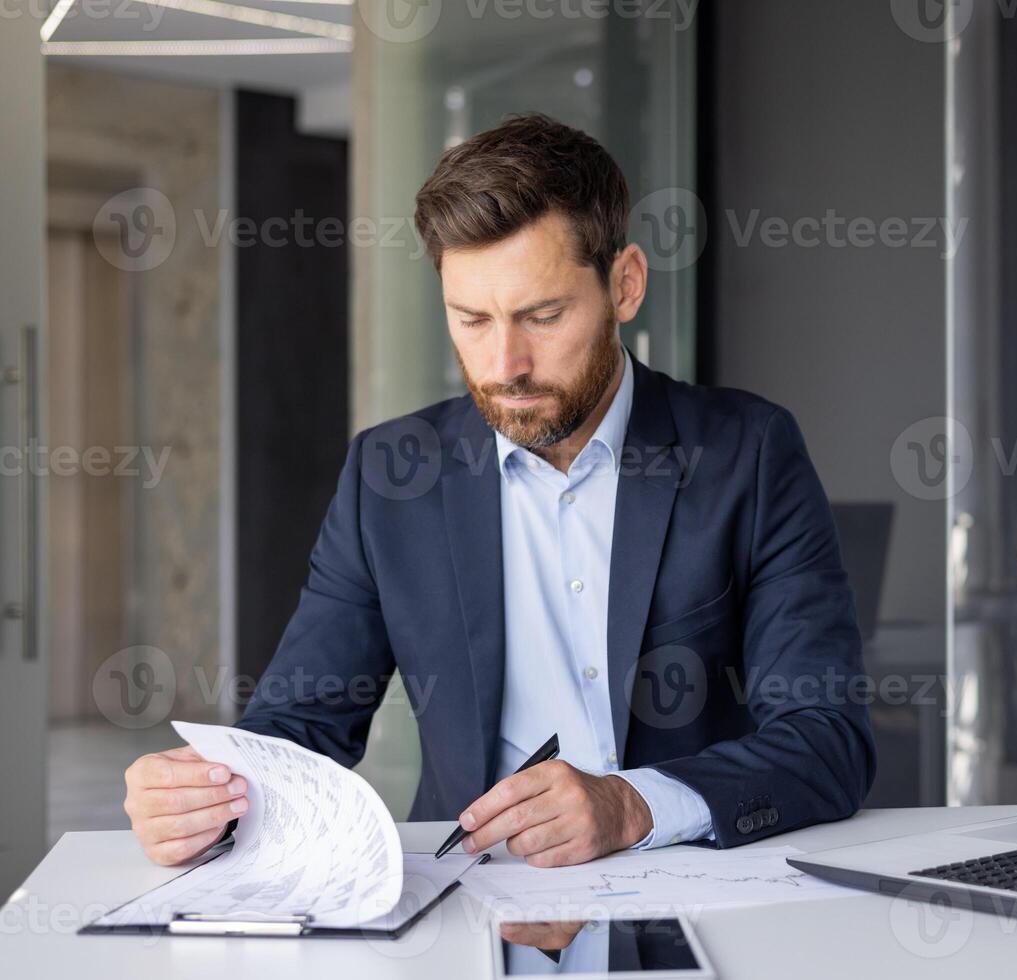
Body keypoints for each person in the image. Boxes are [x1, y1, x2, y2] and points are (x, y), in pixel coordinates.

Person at [122, 113, 875, 868]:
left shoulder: (746, 453)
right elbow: (302, 724)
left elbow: (826, 736)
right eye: (471, 320)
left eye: (542, 316)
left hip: (687, 873)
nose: (505, 363)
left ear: (625, 285)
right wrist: (209, 799)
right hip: (468, 886)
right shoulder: (389, 475)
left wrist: (634, 803)